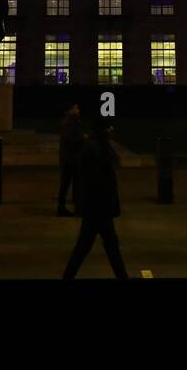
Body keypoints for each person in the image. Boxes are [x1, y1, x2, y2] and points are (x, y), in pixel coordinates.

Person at [62, 115, 128, 279]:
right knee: (107, 245)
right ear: (103, 130)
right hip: (99, 207)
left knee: (87, 246)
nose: (112, 130)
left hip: (95, 206)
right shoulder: (95, 148)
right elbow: (96, 180)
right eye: (109, 128)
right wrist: (107, 201)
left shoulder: (95, 146)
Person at [57, 103, 84, 217]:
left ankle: (67, 208)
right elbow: (70, 139)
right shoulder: (69, 123)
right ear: (70, 110)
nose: (78, 110)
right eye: (75, 108)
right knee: (70, 184)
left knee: (68, 184)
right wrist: (82, 139)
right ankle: (67, 208)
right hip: (71, 158)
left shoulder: (70, 121)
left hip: (70, 158)